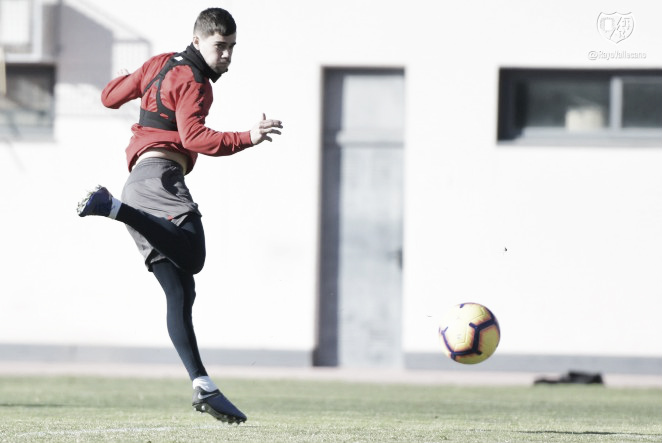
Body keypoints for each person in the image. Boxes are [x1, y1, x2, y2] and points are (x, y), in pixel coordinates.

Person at [76, 7, 282, 424]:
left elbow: (109, 97)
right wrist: (249, 137)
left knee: (181, 293)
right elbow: (195, 137)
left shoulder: (159, 63)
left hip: (140, 179)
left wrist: (122, 77)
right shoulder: (196, 80)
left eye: (232, 48)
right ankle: (113, 208)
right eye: (220, 46)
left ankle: (203, 385)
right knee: (195, 257)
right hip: (160, 180)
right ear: (199, 39)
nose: (226, 56)